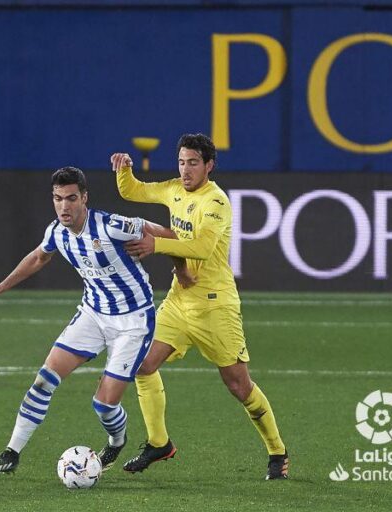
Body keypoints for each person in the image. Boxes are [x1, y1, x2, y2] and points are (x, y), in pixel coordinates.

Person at [0, 166, 182, 474]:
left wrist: (182, 268)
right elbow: (40, 256)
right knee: (44, 379)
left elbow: (167, 234)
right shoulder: (56, 232)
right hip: (93, 314)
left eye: (71, 199)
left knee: (104, 404)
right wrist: (0, 286)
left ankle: (116, 440)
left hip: (133, 321)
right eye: (58, 199)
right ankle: (11, 454)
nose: (64, 206)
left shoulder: (112, 226)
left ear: (84, 198)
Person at [110, 133, 289, 480]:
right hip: (179, 301)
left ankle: (277, 450)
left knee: (239, 386)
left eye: (193, 162)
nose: (186, 169)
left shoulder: (216, 202)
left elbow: (204, 247)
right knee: (143, 364)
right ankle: (158, 443)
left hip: (215, 306)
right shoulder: (174, 188)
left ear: (209, 165)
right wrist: (124, 170)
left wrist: (155, 244)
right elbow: (134, 191)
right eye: (181, 161)